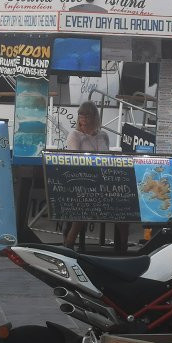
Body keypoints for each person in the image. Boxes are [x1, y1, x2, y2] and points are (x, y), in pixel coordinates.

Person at [63, 101, 110, 247]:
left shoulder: (103, 135)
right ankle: (70, 240)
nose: (82, 117)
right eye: (80, 114)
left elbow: (108, 158)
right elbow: (73, 162)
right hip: (81, 181)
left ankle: (122, 246)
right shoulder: (75, 135)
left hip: (103, 180)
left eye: (86, 114)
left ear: (95, 117)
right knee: (86, 202)